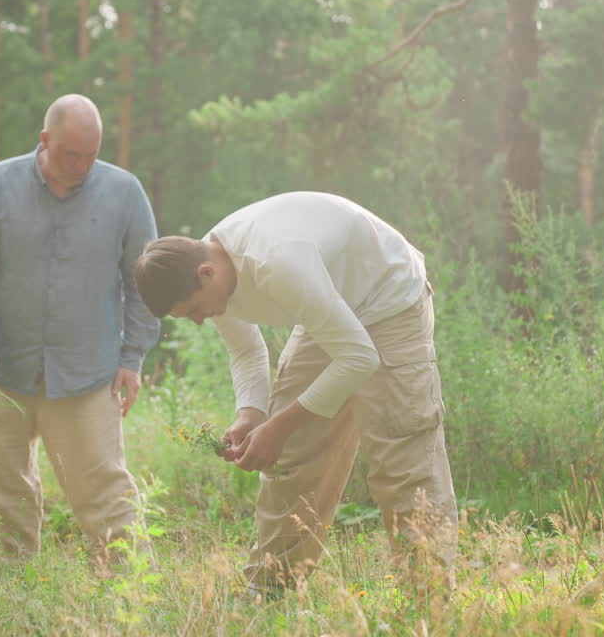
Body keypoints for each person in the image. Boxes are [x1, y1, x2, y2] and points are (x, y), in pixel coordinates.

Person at [133, 192, 457, 594]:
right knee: (292, 455)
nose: (199, 321)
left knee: (402, 457)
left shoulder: (277, 262)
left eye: (193, 310)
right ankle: (271, 588)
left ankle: (429, 600)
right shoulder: (203, 263)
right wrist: (251, 414)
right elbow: (247, 351)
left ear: (205, 273)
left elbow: (358, 358)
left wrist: (278, 426)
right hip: (329, 305)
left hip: (388, 299)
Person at [0, 94, 160, 563]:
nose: (82, 165)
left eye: (91, 155)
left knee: (108, 501)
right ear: (44, 140)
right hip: (2, 377)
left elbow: (144, 283)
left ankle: (132, 612)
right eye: (70, 154)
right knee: (0, 509)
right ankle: (10, 610)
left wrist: (132, 358)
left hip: (87, 377)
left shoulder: (124, 193)